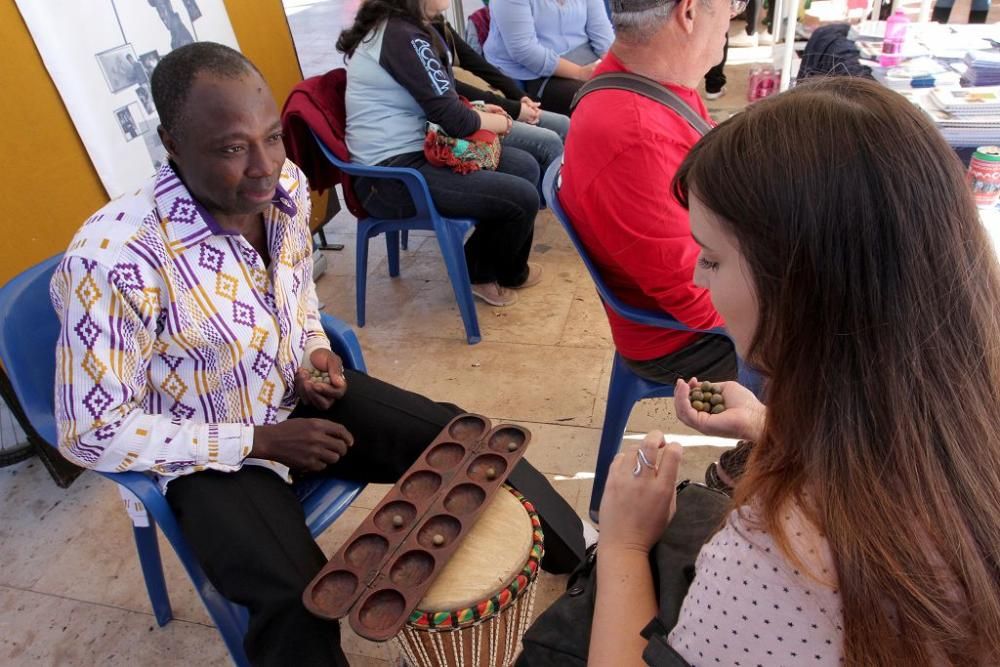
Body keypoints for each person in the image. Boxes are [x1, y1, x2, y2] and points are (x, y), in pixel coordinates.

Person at [50, 42, 581, 666]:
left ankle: (589, 559)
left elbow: (297, 303)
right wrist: (258, 442)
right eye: (230, 147)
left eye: (272, 137)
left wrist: (313, 353)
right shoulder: (113, 259)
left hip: (295, 396)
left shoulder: (287, 190)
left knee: (471, 440)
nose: (263, 166)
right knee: (297, 599)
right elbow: (90, 431)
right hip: (204, 456)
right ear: (171, 144)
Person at [591, 76, 1000, 665]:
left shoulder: (783, 555)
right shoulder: (959, 410)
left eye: (711, 257)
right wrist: (768, 425)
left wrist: (624, 543)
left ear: (800, 286)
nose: (698, 280)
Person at [559, 0, 739, 387]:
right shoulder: (636, 136)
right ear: (688, 12)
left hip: (710, 286)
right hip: (682, 340)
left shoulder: (654, 84)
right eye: (733, 2)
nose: (734, 14)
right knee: (857, 344)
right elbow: (697, 298)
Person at [339, 0, 542, 308]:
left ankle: (509, 270)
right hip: (392, 177)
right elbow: (457, 122)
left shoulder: (408, 28)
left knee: (525, 166)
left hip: (419, 150)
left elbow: (441, 100)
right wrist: (504, 122)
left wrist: (478, 109)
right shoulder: (401, 35)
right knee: (522, 196)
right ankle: (477, 271)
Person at [433, 16, 570, 181]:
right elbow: (453, 89)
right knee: (548, 142)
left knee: (563, 124)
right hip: (453, 120)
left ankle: (568, 195)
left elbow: (475, 62)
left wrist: (519, 96)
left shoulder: (435, 22)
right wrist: (514, 108)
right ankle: (561, 200)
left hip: (474, 107)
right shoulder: (410, 37)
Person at [483, 0, 614, 116]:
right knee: (600, 101)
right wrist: (580, 73)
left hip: (586, 57)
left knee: (625, 89)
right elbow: (525, 51)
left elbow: (603, 36)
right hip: (534, 72)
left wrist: (615, 65)